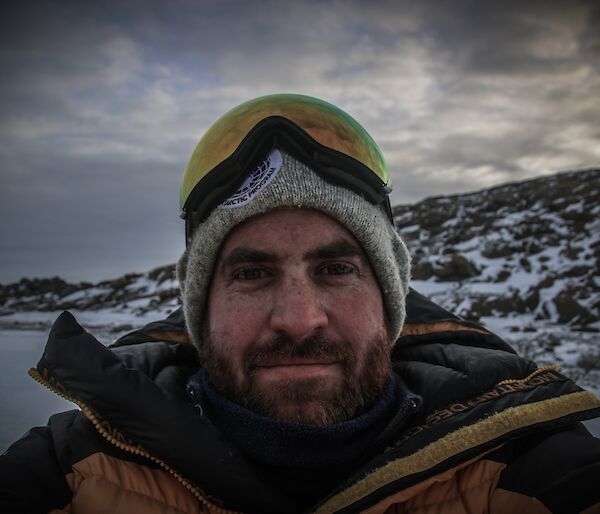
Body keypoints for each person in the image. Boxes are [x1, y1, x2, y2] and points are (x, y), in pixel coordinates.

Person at [1, 93, 599, 514]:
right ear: (200, 307)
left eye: (336, 269)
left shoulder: (531, 469)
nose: (298, 319)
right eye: (253, 273)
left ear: (389, 298)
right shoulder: (70, 470)